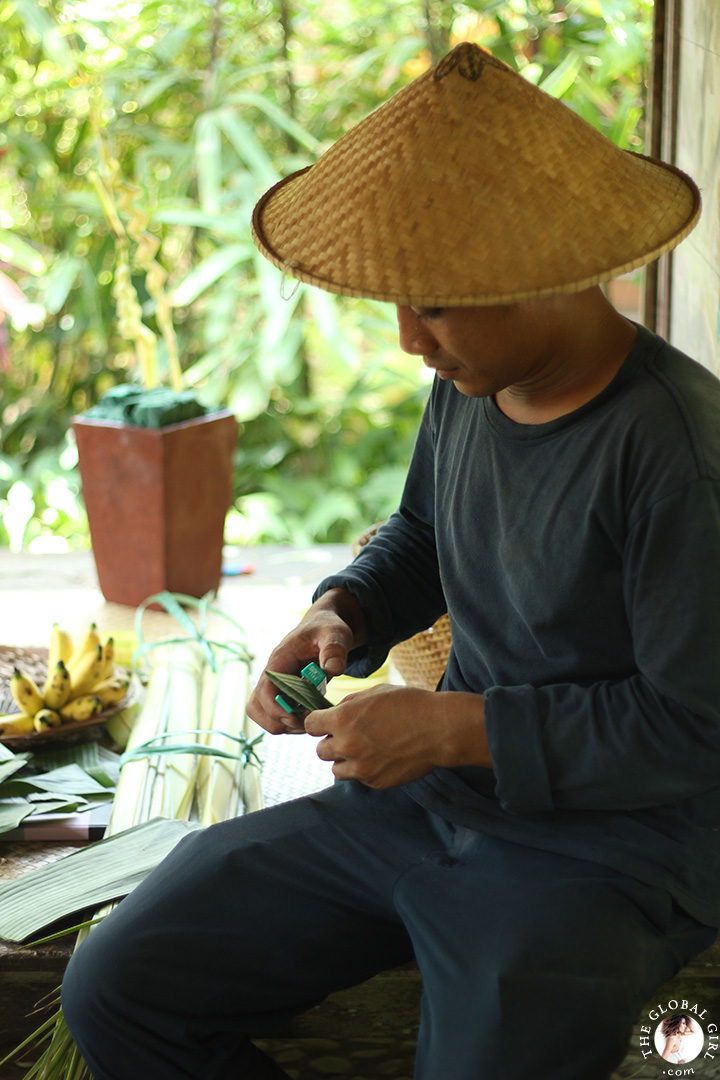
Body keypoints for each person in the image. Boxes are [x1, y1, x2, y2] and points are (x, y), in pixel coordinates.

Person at [61, 41, 720, 1080]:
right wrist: (348, 611)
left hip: (603, 854)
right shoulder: (470, 385)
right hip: (429, 806)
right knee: (119, 985)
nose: (412, 338)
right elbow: (422, 533)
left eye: (438, 305)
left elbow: (693, 728)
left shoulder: (676, 453)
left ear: (543, 275)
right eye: (402, 305)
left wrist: (461, 727)